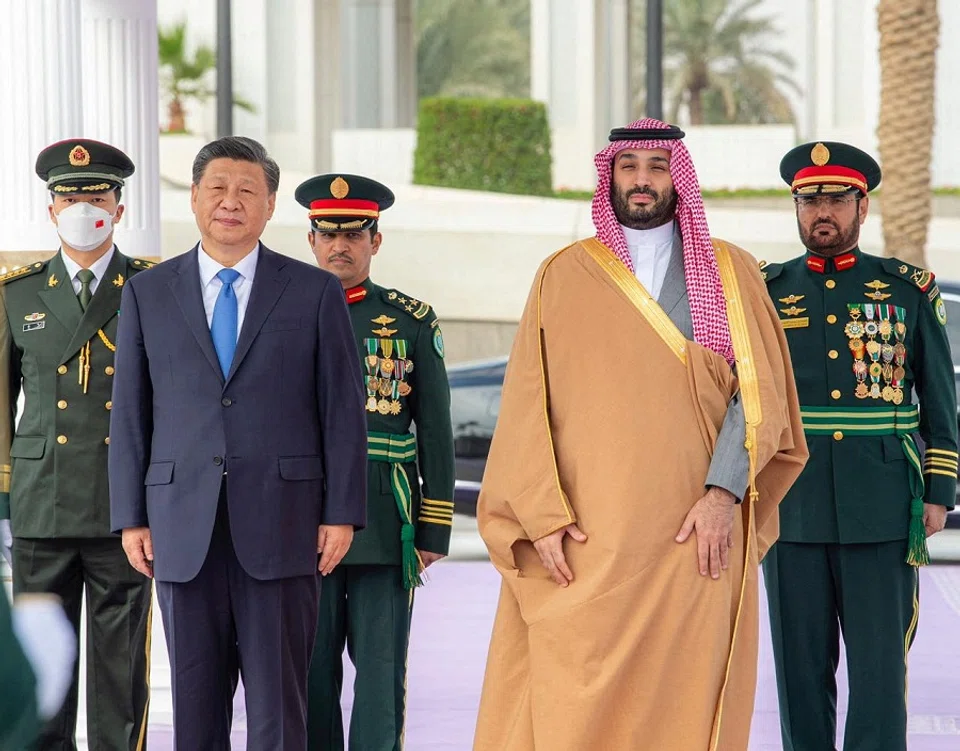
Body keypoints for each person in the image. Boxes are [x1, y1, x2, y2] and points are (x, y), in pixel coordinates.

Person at [472, 118, 809, 751]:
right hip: (587, 539)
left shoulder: (733, 273)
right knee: (574, 692)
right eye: (630, 167)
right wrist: (541, 517)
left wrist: (723, 497)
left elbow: (759, 396)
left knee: (684, 695)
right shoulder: (561, 275)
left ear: (677, 176)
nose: (644, 181)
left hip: (695, 537)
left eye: (658, 166)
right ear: (611, 176)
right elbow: (525, 404)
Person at [108, 136, 368, 750]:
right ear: (195, 198)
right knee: (196, 705)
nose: (231, 202)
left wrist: (342, 513)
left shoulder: (313, 292)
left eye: (247, 190)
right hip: (179, 524)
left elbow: (341, 411)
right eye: (217, 189)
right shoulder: (148, 293)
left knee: (280, 704)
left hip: (284, 523)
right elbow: (132, 417)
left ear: (270, 204)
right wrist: (130, 517)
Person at [761, 141, 957, 751]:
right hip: (790, 508)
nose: (822, 211)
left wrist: (939, 489)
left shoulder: (905, 289)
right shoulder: (765, 290)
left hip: (883, 506)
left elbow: (939, 398)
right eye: (809, 199)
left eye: (836, 199)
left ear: (862, 206)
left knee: (877, 672)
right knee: (799, 672)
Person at [0, 138, 152, 750]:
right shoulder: (17, 292)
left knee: (122, 672)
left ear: (119, 207)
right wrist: (4, 498)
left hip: (124, 506)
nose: (82, 207)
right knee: (44, 670)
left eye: (96, 196)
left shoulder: (150, 286)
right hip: (43, 502)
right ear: (50, 209)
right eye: (70, 197)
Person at [296, 173, 455, 750]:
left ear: (375, 241)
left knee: (381, 672)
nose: (341, 245)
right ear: (310, 240)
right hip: (300, 517)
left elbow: (435, 429)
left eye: (354, 234)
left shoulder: (409, 320)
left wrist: (434, 524)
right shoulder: (280, 313)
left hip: (384, 519)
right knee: (307, 672)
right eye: (328, 233)